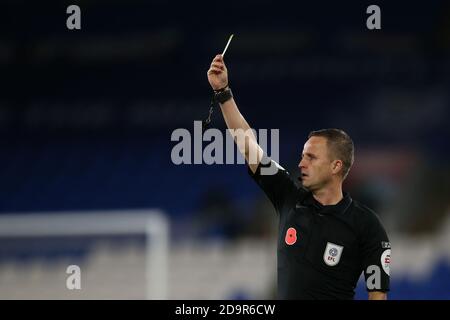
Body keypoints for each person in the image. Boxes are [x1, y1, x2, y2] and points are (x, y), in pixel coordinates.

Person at [206, 54, 391, 300]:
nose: (301, 163)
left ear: (336, 166)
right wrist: (223, 92)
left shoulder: (366, 225)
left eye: (311, 157)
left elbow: (377, 296)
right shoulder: (288, 195)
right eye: (303, 156)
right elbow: (248, 143)